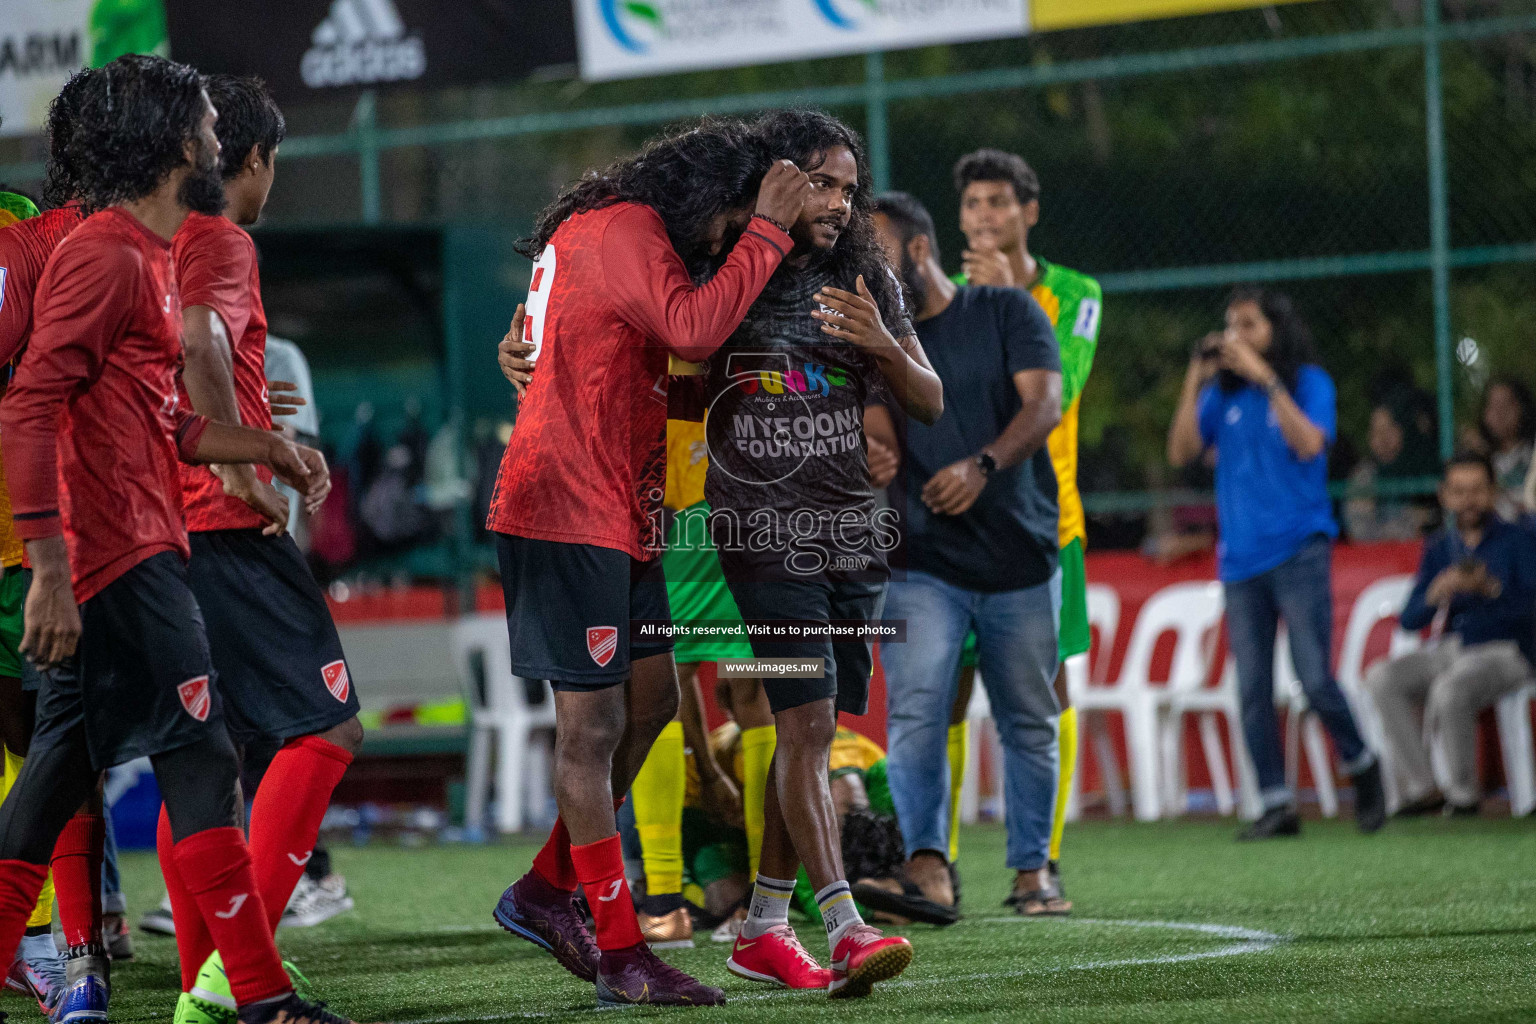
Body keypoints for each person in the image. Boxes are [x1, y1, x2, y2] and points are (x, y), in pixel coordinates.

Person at [0, 55, 356, 1024]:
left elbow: (164, 416)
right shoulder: (109, 255)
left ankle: (254, 996)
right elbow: (29, 405)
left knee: (94, 769)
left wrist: (265, 447)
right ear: (169, 140)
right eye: (201, 118)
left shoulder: (144, 254)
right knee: (180, 761)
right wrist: (52, 571)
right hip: (116, 557)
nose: (216, 131)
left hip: (143, 544)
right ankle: (256, 997)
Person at [485, 119, 811, 1008]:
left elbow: (632, 349)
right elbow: (692, 330)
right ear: (710, 201)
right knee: (590, 733)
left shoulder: (605, 232)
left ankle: (549, 890)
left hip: (620, 509)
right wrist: (771, 232)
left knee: (655, 701)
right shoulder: (629, 228)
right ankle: (622, 948)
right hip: (565, 507)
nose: (726, 240)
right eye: (731, 219)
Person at [699, 109, 942, 999]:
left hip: (853, 534)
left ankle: (764, 924)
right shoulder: (728, 264)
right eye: (821, 183)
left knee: (817, 730)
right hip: (763, 533)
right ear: (778, 181)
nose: (838, 202)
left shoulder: (867, 272)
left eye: (848, 184)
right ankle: (841, 921)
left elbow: (930, 399)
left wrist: (881, 340)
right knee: (802, 724)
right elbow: (667, 337)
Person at [160, 74, 363, 1024]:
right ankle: (231, 982)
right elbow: (202, 340)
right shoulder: (223, 241)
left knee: (205, 759)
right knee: (329, 728)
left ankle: (214, 986)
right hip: (222, 527)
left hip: (152, 529)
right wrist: (244, 463)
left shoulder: (141, 242)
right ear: (252, 160)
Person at [866, 191, 1065, 916]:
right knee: (916, 713)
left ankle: (1033, 871)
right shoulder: (879, 343)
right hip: (922, 567)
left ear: (920, 251)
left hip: (1021, 558)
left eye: (879, 255)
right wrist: (873, 452)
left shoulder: (1006, 311)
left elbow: (1044, 404)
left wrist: (982, 465)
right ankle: (927, 868)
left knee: (1027, 720)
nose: (869, 272)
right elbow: (878, 429)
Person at [1167, 286, 1386, 841]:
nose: (1235, 338)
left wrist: (1265, 378)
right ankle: (1276, 802)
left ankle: (1362, 765)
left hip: (1299, 550)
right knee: (1252, 689)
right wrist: (1197, 376)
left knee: (1314, 678)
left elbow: (1312, 445)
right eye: (1229, 327)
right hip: (1240, 560)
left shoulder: (1309, 383)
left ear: (1276, 331)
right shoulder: (1223, 394)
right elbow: (1181, 453)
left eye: (1249, 326)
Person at [946, 147, 1102, 912]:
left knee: (1045, 690)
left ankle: (1039, 864)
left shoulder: (1076, 294)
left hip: (1047, 526)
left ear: (1029, 211)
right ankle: (930, 865)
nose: (984, 216)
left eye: (999, 202)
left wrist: (1014, 303)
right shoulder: (939, 298)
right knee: (942, 693)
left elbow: (1058, 391)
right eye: (973, 204)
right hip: (953, 524)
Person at [0, 74, 106, 1018]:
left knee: (49, 745)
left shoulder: (27, 230)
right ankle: (56, 948)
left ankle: (73, 952)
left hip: (34, 537)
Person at [625, 407, 749, 949]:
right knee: (759, 685)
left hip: (685, 491)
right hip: (748, 494)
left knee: (663, 683)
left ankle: (664, 900)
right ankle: (766, 907)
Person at [1365, 453, 1536, 815]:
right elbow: (1409, 620)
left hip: (1510, 650)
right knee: (1381, 677)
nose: (1468, 500)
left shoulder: (1520, 539)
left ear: (1492, 493)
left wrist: (1490, 589)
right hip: (1453, 647)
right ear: (1445, 495)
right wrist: (1439, 590)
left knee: (1450, 687)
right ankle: (1423, 788)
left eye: (1477, 490)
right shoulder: (1441, 547)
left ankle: (1463, 797)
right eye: (1459, 491)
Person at [1343, 395, 1438, 542]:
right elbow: (1360, 531)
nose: (1383, 438)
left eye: (1390, 428)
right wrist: (1410, 521)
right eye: (1376, 431)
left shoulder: (1424, 469)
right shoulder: (1364, 476)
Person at [1460, 378, 1534, 519]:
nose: (1499, 414)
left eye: (1506, 405)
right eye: (1493, 406)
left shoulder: (1531, 455)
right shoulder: (1479, 458)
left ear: (1523, 408)